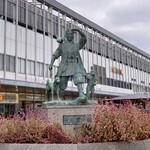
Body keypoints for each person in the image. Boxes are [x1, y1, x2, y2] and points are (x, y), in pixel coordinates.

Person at [49, 29, 87, 100]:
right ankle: (60, 98)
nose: (70, 36)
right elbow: (55, 55)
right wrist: (51, 64)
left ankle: (81, 94)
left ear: (73, 36)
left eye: (71, 34)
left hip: (75, 64)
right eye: (68, 34)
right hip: (65, 66)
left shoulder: (77, 45)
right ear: (66, 36)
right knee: (62, 84)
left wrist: (79, 31)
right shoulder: (62, 46)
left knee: (79, 78)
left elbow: (84, 39)